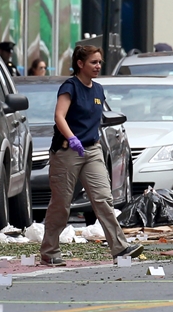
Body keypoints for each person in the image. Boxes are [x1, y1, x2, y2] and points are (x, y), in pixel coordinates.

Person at [41, 44, 143, 266]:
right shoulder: (70, 87)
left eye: (99, 62)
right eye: (93, 62)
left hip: (92, 149)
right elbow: (60, 116)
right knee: (62, 203)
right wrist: (72, 138)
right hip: (67, 151)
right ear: (80, 64)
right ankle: (49, 250)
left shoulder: (98, 89)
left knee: (103, 198)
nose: (98, 66)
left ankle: (120, 248)